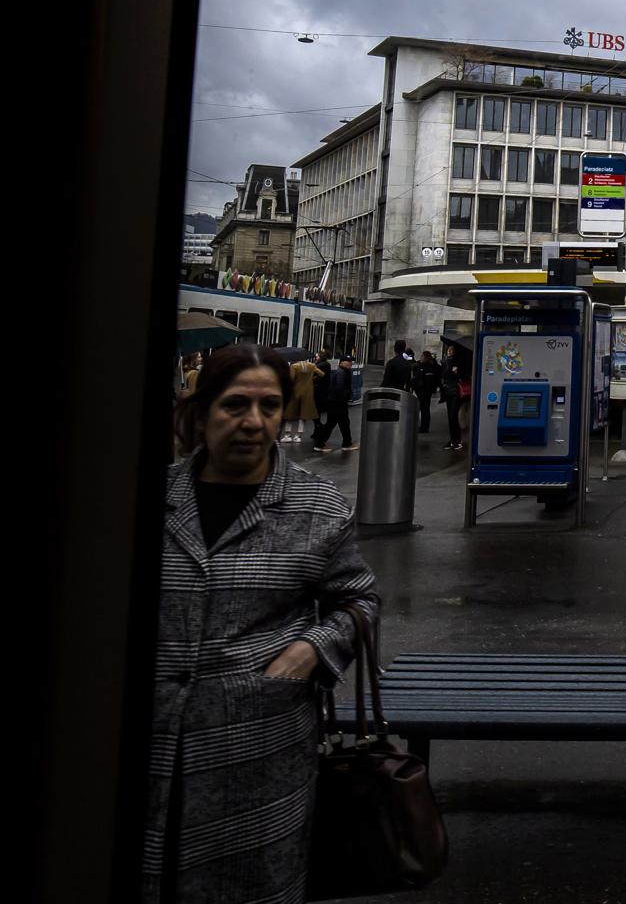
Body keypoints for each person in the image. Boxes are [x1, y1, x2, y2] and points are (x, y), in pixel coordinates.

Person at [150, 343, 380, 902]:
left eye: (270, 407)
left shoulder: (318, 506)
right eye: (236, 405)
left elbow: (360, 600)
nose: (254, 423)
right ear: (202, 412)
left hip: (259, 747)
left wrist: (308, 653)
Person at [311, 354, 358, 453]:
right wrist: (344, 397)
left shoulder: (343, 372)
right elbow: (339, 388)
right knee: (338, 424)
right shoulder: (341, 373)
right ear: (341, 362)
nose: (350, 363)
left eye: (351, 362)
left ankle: (345, 443)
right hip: (338, 403)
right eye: (348, 361)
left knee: (339, 423)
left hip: (336, 403)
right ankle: (343, 443)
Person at [282, 352, 321, 445]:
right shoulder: (311, 366)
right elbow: (321, 374)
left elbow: (291, 379)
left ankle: (287, 435)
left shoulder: (294, 366)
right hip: (307, 393)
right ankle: (298, 436)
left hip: (295, 393)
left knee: (290, 415)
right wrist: (312, 379)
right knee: (303, 415)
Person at [440, 351, 468, 450]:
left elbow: (464, 375)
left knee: (453, 416)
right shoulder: (446, 362)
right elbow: (443, 375)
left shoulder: (458, 362)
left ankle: (458, 440)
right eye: (449, 350)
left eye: (452, 351)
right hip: (448, 392)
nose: (450, 352)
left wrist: (457, 372)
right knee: (450, 417)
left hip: (456, 392)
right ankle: (452, 440)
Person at [412, 349, 442, 437]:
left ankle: (424, 427)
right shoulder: (430, 366)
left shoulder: (426, 367)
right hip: (426, 391)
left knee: (423, 409)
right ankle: (424, 426)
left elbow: (419, 379)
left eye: (422, 356)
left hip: (423, 391)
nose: (420, 358)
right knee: (425, 409)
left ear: (425, 357)